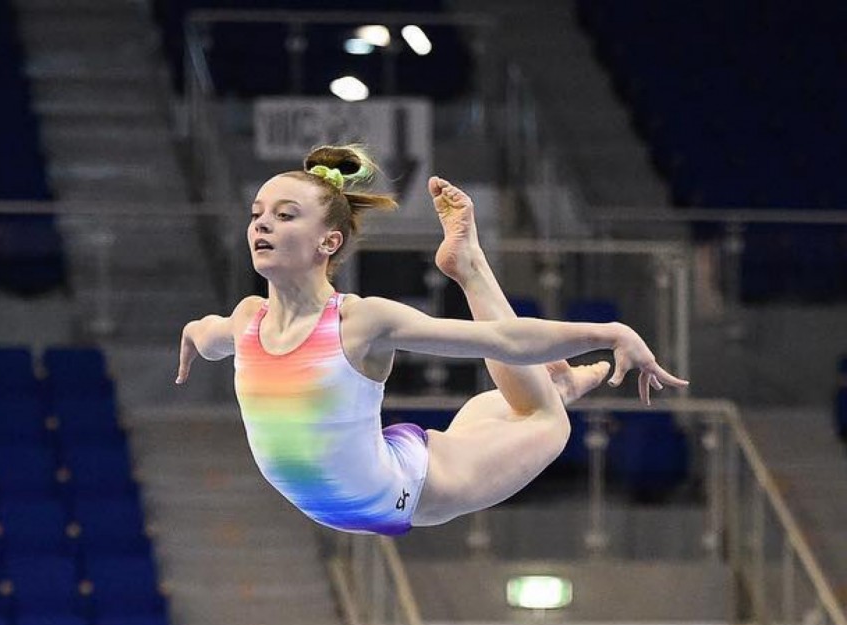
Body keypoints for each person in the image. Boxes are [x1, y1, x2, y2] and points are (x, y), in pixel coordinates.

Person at [174, 144, 687, 535]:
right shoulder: (247, 321)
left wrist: (610, 332)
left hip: (417, 488)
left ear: (328, 243)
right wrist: (194, 334)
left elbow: (503, 339)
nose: (262, 223)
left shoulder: (361, 323)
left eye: (284, 215)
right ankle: (558, 384)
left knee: (547, 423)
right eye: (257, 213)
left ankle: (470, 268)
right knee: (521, 408)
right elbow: (210, 334)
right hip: (385, 467)